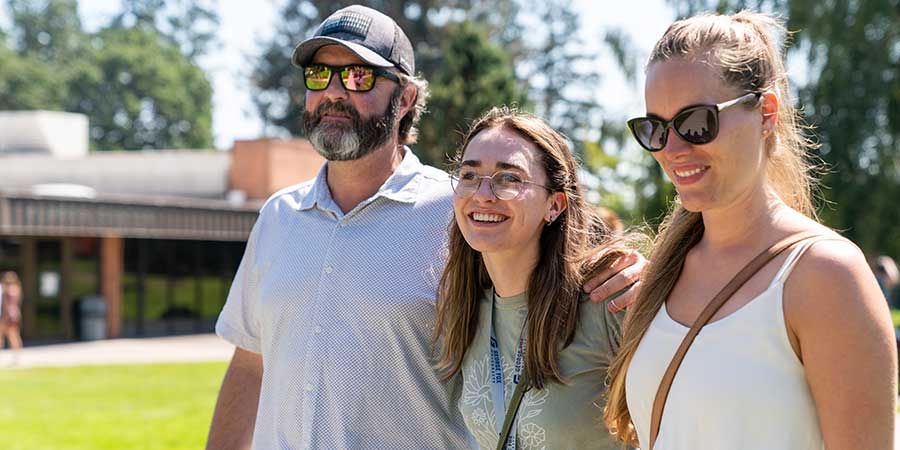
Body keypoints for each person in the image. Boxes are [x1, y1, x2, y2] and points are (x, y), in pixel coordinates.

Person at [206, 5, 644, 449]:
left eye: (359, 76)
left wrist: (638, 273)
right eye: (319, 75)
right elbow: (249, 363)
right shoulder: (278, 217)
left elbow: (559, 257)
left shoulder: (462, 209)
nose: (334, 92)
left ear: (407, 99)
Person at [603, 11, 897, 450]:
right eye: (655, 129)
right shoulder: (663, 276)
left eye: (697, 122)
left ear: (766, 114)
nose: (673, 149)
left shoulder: (825, 276)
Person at [433, 107, 634, 449]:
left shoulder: (607, 300)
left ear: (554, 206)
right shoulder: (465, 312)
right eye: (469, 175)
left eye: (509, 179)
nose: (483, 194)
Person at [0, 271, 24, 364]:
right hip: (15, 314)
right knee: (14, 335)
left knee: (9, 335)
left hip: (8, 315)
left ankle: (16, 356)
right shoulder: (17, 289)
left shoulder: (7, 291)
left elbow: (6, 305)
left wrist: (4, 318)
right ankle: (17, 356)